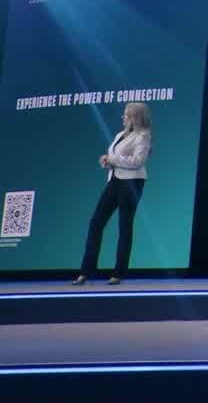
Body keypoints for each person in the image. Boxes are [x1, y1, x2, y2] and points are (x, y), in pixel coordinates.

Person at [74, 101, 152, 285]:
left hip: (132, 182)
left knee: (124, 226)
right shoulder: (119, 135)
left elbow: (137, 161)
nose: (123, 117)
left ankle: (118, 272)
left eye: (127, 115)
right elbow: (117, 158)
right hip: (115, 180)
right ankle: (86, 271)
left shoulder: (143, 137)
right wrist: (107, 161)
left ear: (135, 118)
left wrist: (114, 159)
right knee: (96, 222)